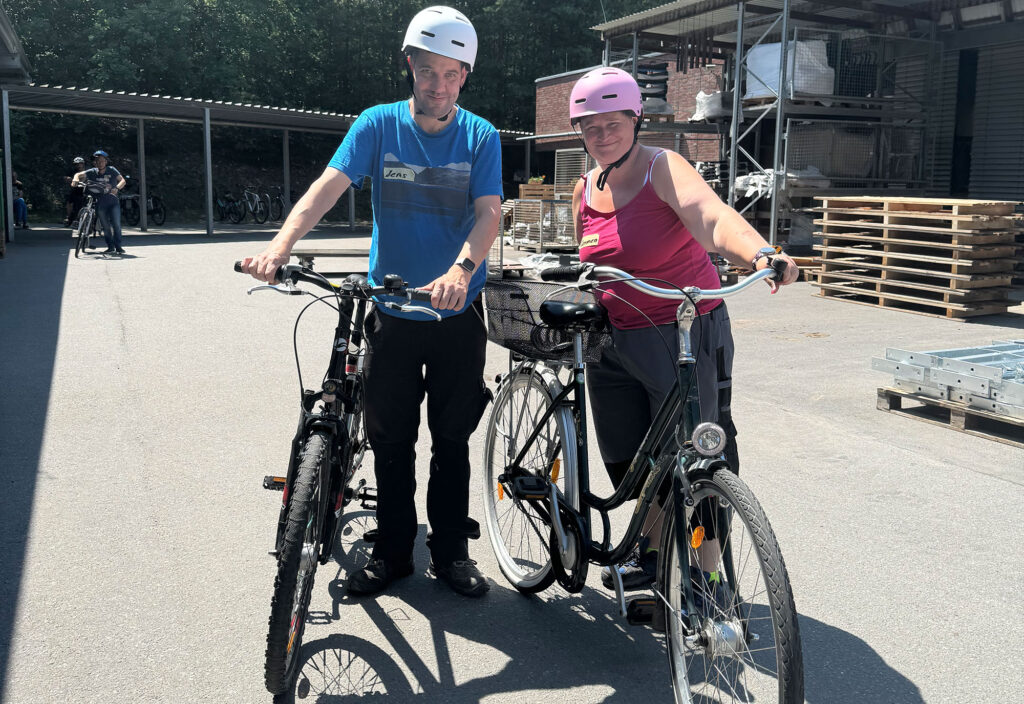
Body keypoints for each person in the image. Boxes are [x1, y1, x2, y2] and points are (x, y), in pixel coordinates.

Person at [241, 6, 502, 598]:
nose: (438, 85)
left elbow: (489, 211)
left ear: (465, 76)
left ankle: (451, 551)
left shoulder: (480, 135)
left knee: (452, 438)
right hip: (393, 313)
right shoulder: (377, 125)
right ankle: (391, 553)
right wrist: (279, 247)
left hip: (456, 313)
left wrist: (462, 269)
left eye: (451, 74)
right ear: (409, 64)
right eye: (428, 70)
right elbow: (326, 188)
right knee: (390, 440)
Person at [566, 67, 799, 591]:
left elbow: (711, 217)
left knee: (700, 456)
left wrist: (760, 253)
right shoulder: (585, 186)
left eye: (612, 124)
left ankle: (709, 575)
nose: (602, 136)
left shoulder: (662, 168)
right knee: (632, 457)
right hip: (615, 339)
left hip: (683, 331)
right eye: (590, 127)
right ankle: (650, 557)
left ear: (635, 119)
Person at [73, 150, 127, 254]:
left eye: (102, 161)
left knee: (116, 225)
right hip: (101, 203)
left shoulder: (112, 170)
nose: (100, 163)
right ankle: (110, 247)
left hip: (113, 202)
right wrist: (75, 179)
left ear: (106, 162)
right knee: (105, 227)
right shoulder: (92, 171)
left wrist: (117, 188)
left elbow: (123, 180)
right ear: (95, 163)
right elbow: (79, 174)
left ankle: (118, 246)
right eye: (97, 161)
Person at [64, 156, 87, 226]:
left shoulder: (88, 171)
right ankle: (68, 217)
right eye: (77, 164)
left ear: (83, 164)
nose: (79, 165)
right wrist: (68, 178)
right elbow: (65, 177)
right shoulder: (73, 171)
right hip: (75, 190)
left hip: (86, 190)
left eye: (80, 163)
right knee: (70, 202)